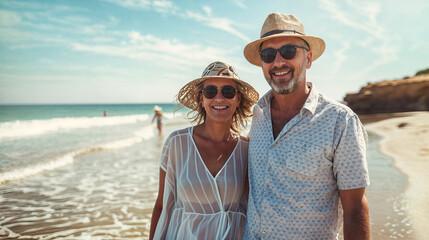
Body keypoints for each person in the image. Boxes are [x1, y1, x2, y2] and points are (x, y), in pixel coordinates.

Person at [242, 13, 370, 239]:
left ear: (308, 58)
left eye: (289, 51)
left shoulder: (340, 121)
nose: (278, 62)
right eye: (269, 54)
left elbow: (355, 208)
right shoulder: (257, 114)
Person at [149, 61, 259, 239]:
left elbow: (249, 210)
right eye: (210, 91)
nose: (219, 98)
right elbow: (161, 206)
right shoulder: (177, 143)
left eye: (228, 91)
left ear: (238, 99)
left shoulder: (246, 150)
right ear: (202, 98)